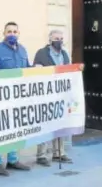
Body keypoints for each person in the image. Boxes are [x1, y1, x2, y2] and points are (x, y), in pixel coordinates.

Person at [0, 21, 31, 176]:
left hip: (18, 97)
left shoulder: (23, 50)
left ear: (19, 34)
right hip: (1, 97)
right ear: (3, 33)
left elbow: (27, 71)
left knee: (15, 128)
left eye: (15, 32)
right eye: (9, 31)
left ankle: (12, 159)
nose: (12, 34)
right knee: (0, 129)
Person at [32, 30, 74, 167]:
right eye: (56, 38)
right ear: (50, 40)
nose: (59, 41)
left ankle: (59, 153)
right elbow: (36, 72)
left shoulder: (64, 54)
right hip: (45, 95)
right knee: (45, 125)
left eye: (61, 38)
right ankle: (41, 155)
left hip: (60, 95)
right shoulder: (41, 53)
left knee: (60, 124)